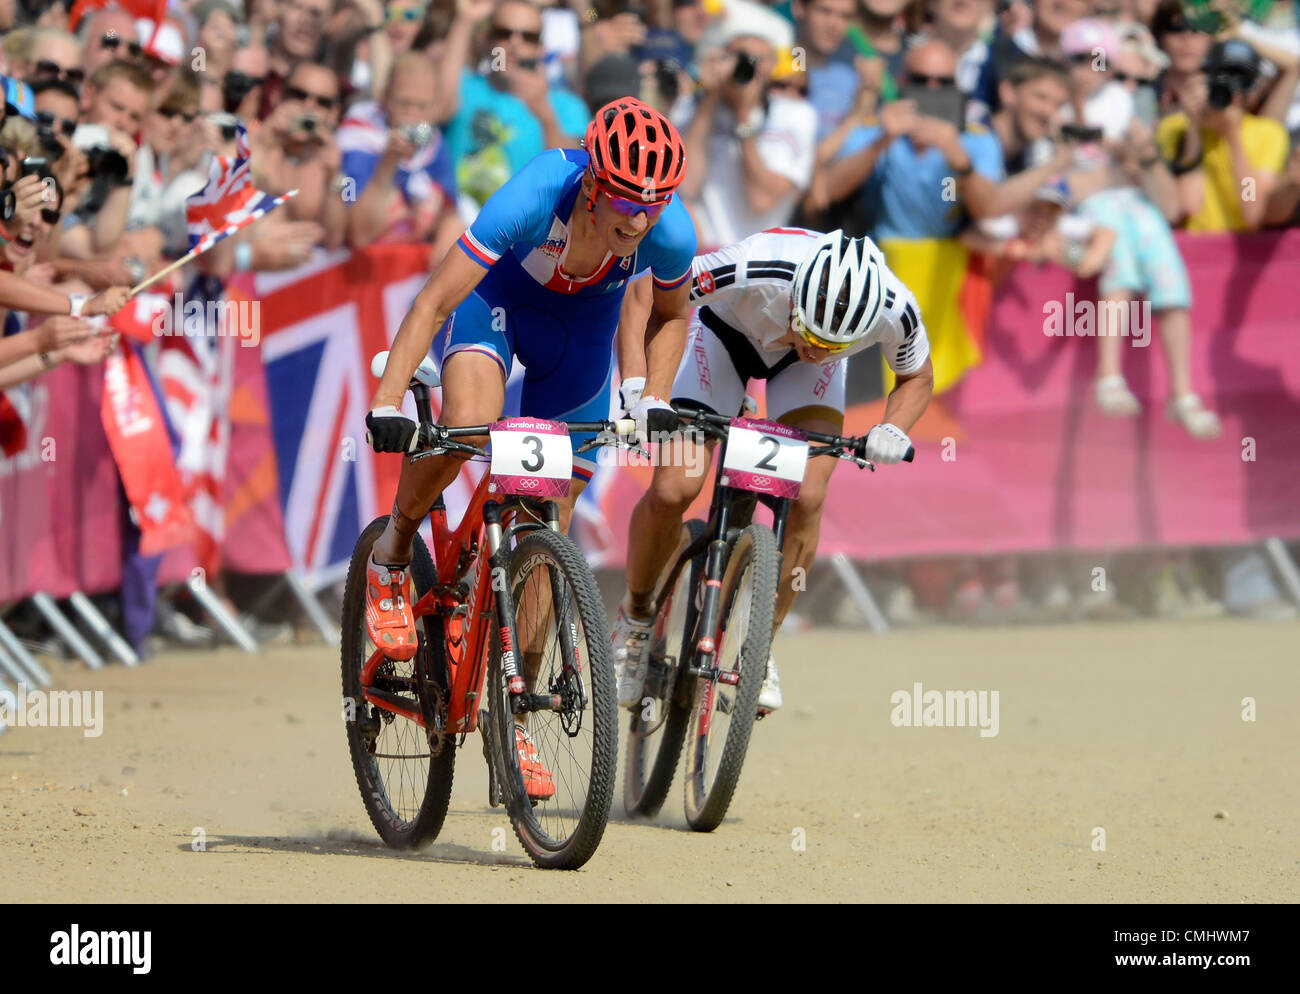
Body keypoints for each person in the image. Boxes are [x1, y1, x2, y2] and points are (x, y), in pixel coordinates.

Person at [362, 97, 696, 798]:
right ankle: (394, 552)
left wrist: (654, 398)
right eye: (628, 202)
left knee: (552, 515)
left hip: (578, 344)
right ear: (595, 185)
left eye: (654, 205)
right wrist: (388, 403)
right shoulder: (537, 189)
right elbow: (431, 302)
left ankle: (514, 708)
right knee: (467, 429)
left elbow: (671, 315)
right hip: (500, 308)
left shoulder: (671, 233)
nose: (639, 221)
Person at [610, 227, 934, 714]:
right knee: (676, 488)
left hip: (799, 378)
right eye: (812, 335)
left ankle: (760, 647)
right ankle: (635, 620)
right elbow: (645, 294)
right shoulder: (756, 265)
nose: (819, 348)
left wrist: (894, 428)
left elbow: (917, 376)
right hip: (722, 334)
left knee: (807, 497)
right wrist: (639, 390)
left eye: (834, 345)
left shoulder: (895, 306)